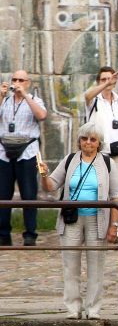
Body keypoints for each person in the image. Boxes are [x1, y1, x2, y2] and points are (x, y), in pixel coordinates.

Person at [37, 122, 118, 319]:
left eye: (92, 139)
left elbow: (115, 197)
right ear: (79, 141)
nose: (88, 143)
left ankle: (93, 309)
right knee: (70, 266)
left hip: (97, 219)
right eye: (84, 139)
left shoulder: (108, 163)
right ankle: (73, 308)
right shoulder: (70, 160)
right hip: (71, 218)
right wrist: (43, 174)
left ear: (99, 143)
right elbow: (51, 185)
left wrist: (114, 226)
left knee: (96, 267)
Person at [0, 69, 48, 246]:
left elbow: (42, 115)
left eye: (21, 79)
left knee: (29, 193)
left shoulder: (35, 100)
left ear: (27, 82)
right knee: (3, 194)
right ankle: (3, 233)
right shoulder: (5, 100)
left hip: (27, 151)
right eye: (14, 79)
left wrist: (25, 95)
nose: (17, 82)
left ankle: (30, 233)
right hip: (4, 151)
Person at [83, 66, 118, 199]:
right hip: (100, 153)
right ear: (98, 81)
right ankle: (101, 220)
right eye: (103, 79)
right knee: (100, 192)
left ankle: (115, 221)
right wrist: (105, 85)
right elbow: (87, 95)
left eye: (110, 79)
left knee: (117, 193)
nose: (107, 82)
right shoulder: (94, 101)